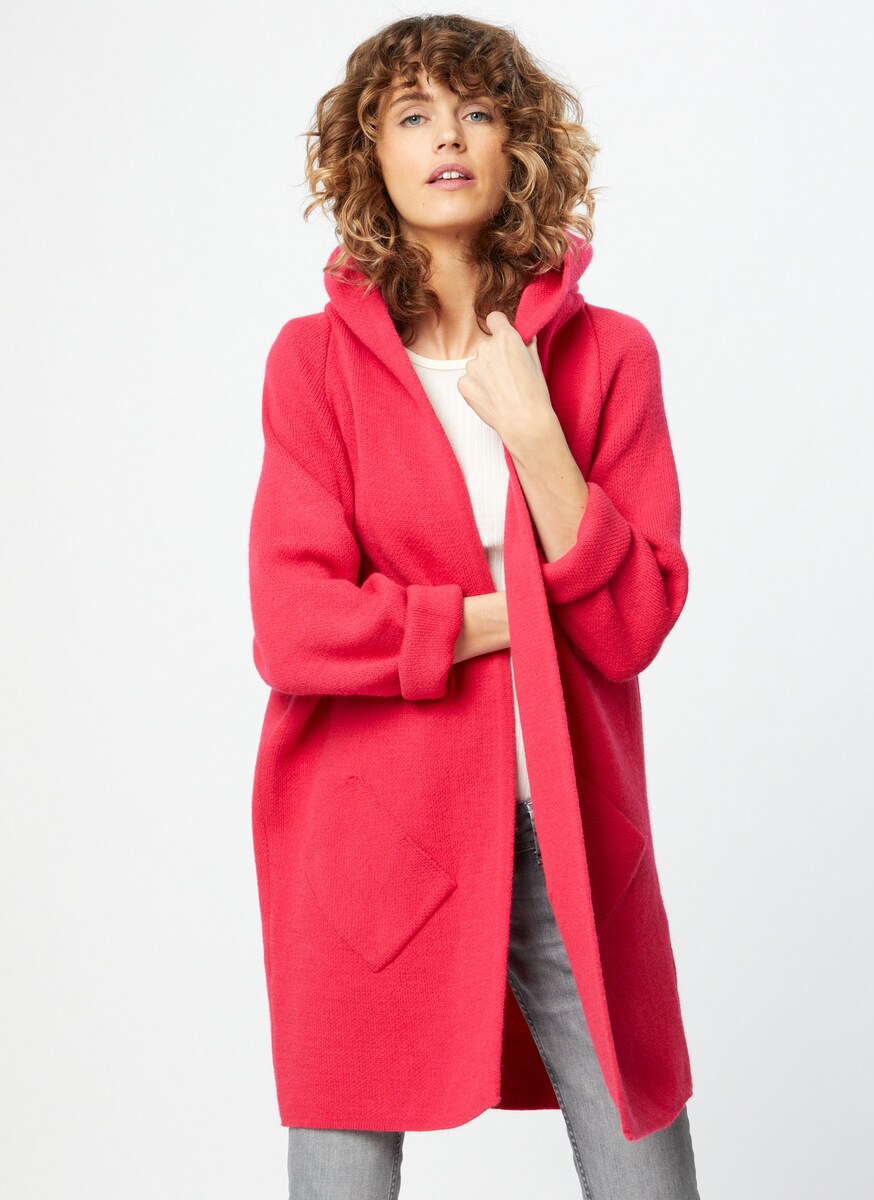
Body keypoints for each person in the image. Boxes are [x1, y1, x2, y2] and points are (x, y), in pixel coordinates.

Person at [248, 14, 702, 1199]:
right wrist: (513, 615)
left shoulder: (610, 357)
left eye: (477, 112)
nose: (447, 137)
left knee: (646, 1175)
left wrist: (536, 433)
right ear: (372, 157)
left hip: (568, 830)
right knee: (341, 1177)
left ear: (519, 146)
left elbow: (634, 623)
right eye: (413, 116)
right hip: (371, 840)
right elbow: (293, 624)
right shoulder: (313, 365)